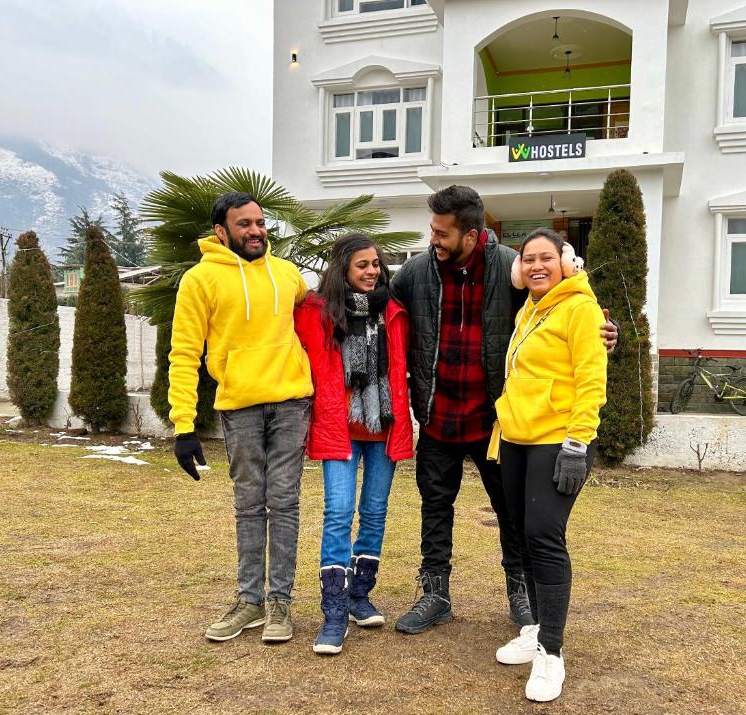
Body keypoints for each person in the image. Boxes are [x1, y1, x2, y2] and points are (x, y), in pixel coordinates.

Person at [389, 185, 618, 635]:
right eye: (432, 230)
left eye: (441, 232)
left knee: (512, 514)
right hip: (437, 416)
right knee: (435, 507)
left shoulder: (511, 268)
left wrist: (605, 330)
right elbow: (378, 308)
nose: (433, 239)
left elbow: (560, 306)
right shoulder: (414, 273)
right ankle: (434, 593)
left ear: (471, 235)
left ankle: (520, 593)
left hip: (496, 422)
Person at [169, 192, 312, 645]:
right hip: (239, 407)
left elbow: (317, 314)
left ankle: (279, 602)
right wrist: (183, 426)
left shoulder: (288, 274)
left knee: (284, 503)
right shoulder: (199, 280)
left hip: (291, 403)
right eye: (244, 224)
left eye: (260, 222)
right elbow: (184, 354)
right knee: (249, 505)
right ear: (220, 231)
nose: (255, 231)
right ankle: (250, 601)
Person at [489, 228, 607, 702]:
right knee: (521, 537)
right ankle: (535, 630)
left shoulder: (581, 309)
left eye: (546, 258)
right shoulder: (528, 310)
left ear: (564, 263)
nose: (537, 266)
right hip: (516, 439)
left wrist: (577, 444)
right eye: (528, 259)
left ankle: (551, 653)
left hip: (558, 441)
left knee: (544, 538)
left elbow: (591, 378)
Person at [294, 233, 414, 655]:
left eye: (376, 264)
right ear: (343, 266)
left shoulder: (395, 311)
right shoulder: (315, 311)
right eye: (362, 264)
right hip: (338, 427)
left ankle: (361, 596)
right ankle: (334, 611)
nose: (371, 271)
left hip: (385, 427)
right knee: (339, 513)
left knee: (375, 512)